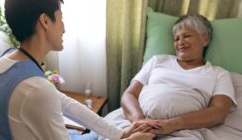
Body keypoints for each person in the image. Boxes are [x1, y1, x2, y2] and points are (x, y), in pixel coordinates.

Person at [0, 0, 158, 140]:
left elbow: (64, 102)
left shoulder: (6, 60)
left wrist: (120, 134)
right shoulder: (35, 89)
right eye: (61, 18)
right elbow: (45, 94)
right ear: (45, 21)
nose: (64, 29)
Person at [98, 14, 237, 139]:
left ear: (205, 39)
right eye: (176, 38)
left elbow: (219, 113)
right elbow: (129, 95)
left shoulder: (218, 74)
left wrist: (170, 125)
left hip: (181, 131)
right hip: (135, 124)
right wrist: (139, 120)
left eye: (187, 36)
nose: (180, 42)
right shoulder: (157, 61)